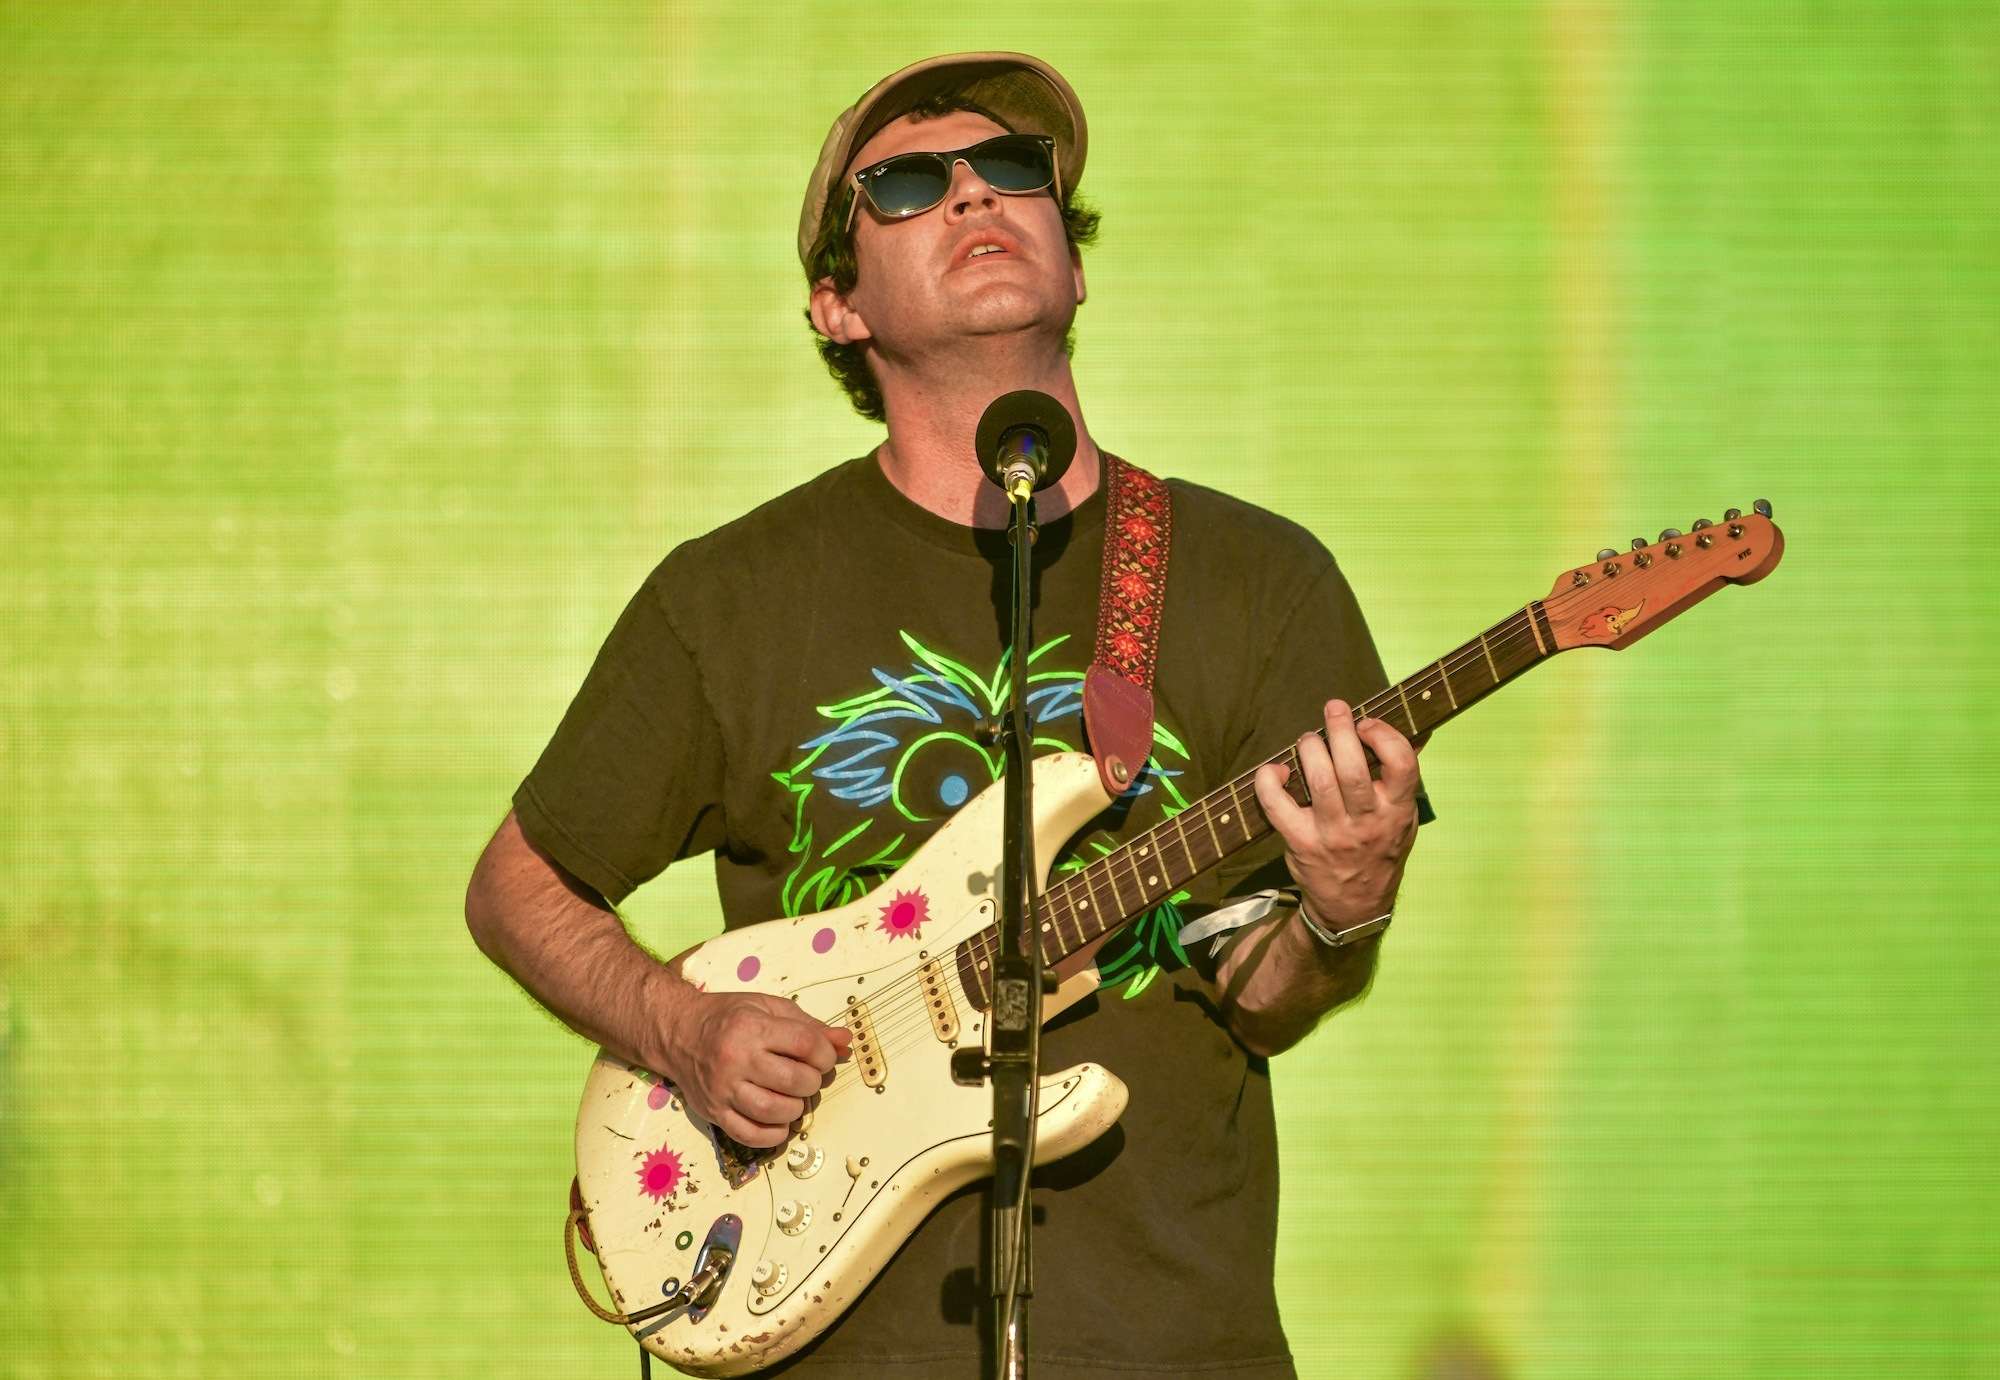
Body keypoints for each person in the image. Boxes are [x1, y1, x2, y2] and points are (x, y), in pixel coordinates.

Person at [465, 51, 1430, 1379]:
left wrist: (1343, 910)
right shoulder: (730, 597)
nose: (976, 194)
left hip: (1167, 1344)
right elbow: (517, 890)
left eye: (1015, 170)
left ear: (1076, 267)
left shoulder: (1258, 581)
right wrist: (680, 1029)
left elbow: (1262, 998)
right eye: (911, 186)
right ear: (838, 307)